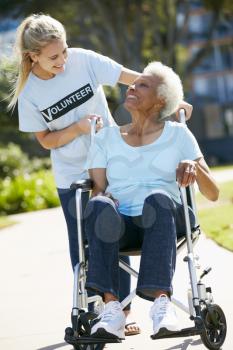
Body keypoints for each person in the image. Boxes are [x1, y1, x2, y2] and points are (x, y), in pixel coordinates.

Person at [9, 13, 193, 335]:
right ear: (32, 56)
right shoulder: (29, 94)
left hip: (113, 162)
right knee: (83, 246)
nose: (63, 60)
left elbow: (134, 79)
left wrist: (174, 99)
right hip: (71, 175)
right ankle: (97, 310)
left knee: (115, 228)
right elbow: (46, 140)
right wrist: (78, 128)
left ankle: (123, 311)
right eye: (54, 57)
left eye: (64, 51)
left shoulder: (84, 61)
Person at [84, 61, 219, 340]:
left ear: (160, 100)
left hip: (167, 218)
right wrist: (101, 195)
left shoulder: (178, 134)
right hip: (124, 225)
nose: (132, 86)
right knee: (97, 206)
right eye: (133, 83)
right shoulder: (106, 138)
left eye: (142, 84)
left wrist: (193, 167)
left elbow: (213, 193)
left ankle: (162, 306)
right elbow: (97, 190)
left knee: (157, 199)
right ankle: (112, 311)